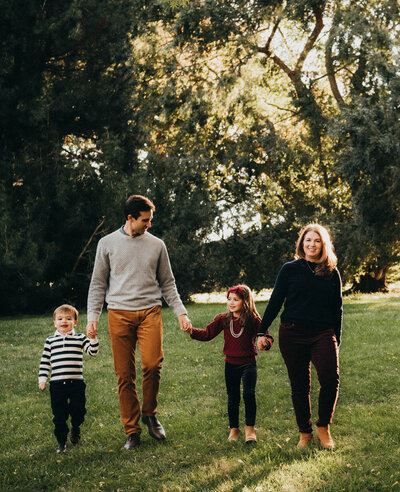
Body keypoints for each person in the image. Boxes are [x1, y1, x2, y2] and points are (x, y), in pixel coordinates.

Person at [86, 194, 191, 450]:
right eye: (145, 220)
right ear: (130, 218)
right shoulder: (107, 244)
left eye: (150, 220)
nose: (149, 224)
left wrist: (181, 312)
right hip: (119, 314)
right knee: (124, 375)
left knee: (153, 364)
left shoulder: (157, 245)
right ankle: (132, 431)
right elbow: (98, 283)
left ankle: (150, 413)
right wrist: (92, 317)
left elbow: (168, 282)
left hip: (149, 312)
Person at [258, 223, 342, 450]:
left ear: (323, 245)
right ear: (301, 243)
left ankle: (323, 428)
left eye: (316, 240)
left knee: (330, 379)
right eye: (308, 240)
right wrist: (261, 330)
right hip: (292, 333)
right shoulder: (289, 269)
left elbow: (337, 309)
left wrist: (337, 339)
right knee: (299, 385)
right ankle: (305, 433)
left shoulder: (332, 272)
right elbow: (275, 302)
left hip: (323, 333)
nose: (311, 244)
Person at [182, 285, 274, 443]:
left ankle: (250, 430)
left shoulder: (253, 320)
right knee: (233, 398)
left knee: (248, 394)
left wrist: (265, 342)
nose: (231, 303)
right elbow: (207, 334)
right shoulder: (223, 319)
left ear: (245, 301)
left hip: (248, 363)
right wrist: (191, 331)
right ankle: (234, 429)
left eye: (236, 300)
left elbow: (267, 335)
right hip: (230, 364)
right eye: (229, 299)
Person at [38, 304, 99, 453]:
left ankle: (75, 427)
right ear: (55, 323)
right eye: (60, 319)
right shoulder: (50, 341)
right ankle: (61, 442)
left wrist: (93, 339)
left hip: (76, 383)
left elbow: (93, 352)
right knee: (59, 415)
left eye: (68, 318)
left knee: (79, 411)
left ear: (75, 322)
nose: (63, 321)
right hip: (57, 385)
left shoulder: (79, 338)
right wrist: (42, 379)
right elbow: (45, 361)